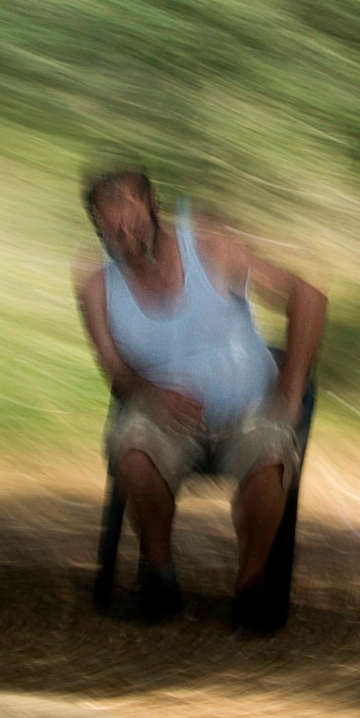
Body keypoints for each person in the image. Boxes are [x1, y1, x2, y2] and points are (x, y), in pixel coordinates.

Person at [73, 168, 325, 629]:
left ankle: (249, 588)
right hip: (164, 416)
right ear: (99, 232)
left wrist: (290, 392)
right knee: (130, 450)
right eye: (112, 231)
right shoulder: (96, 287)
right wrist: (150, 393)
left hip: (249, 407)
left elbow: (308, 297)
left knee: (268, 458)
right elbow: (116, 374)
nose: (126, 238)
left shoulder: (209, 245)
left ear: (153, 206)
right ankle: (160, 579)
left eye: (133, 222)